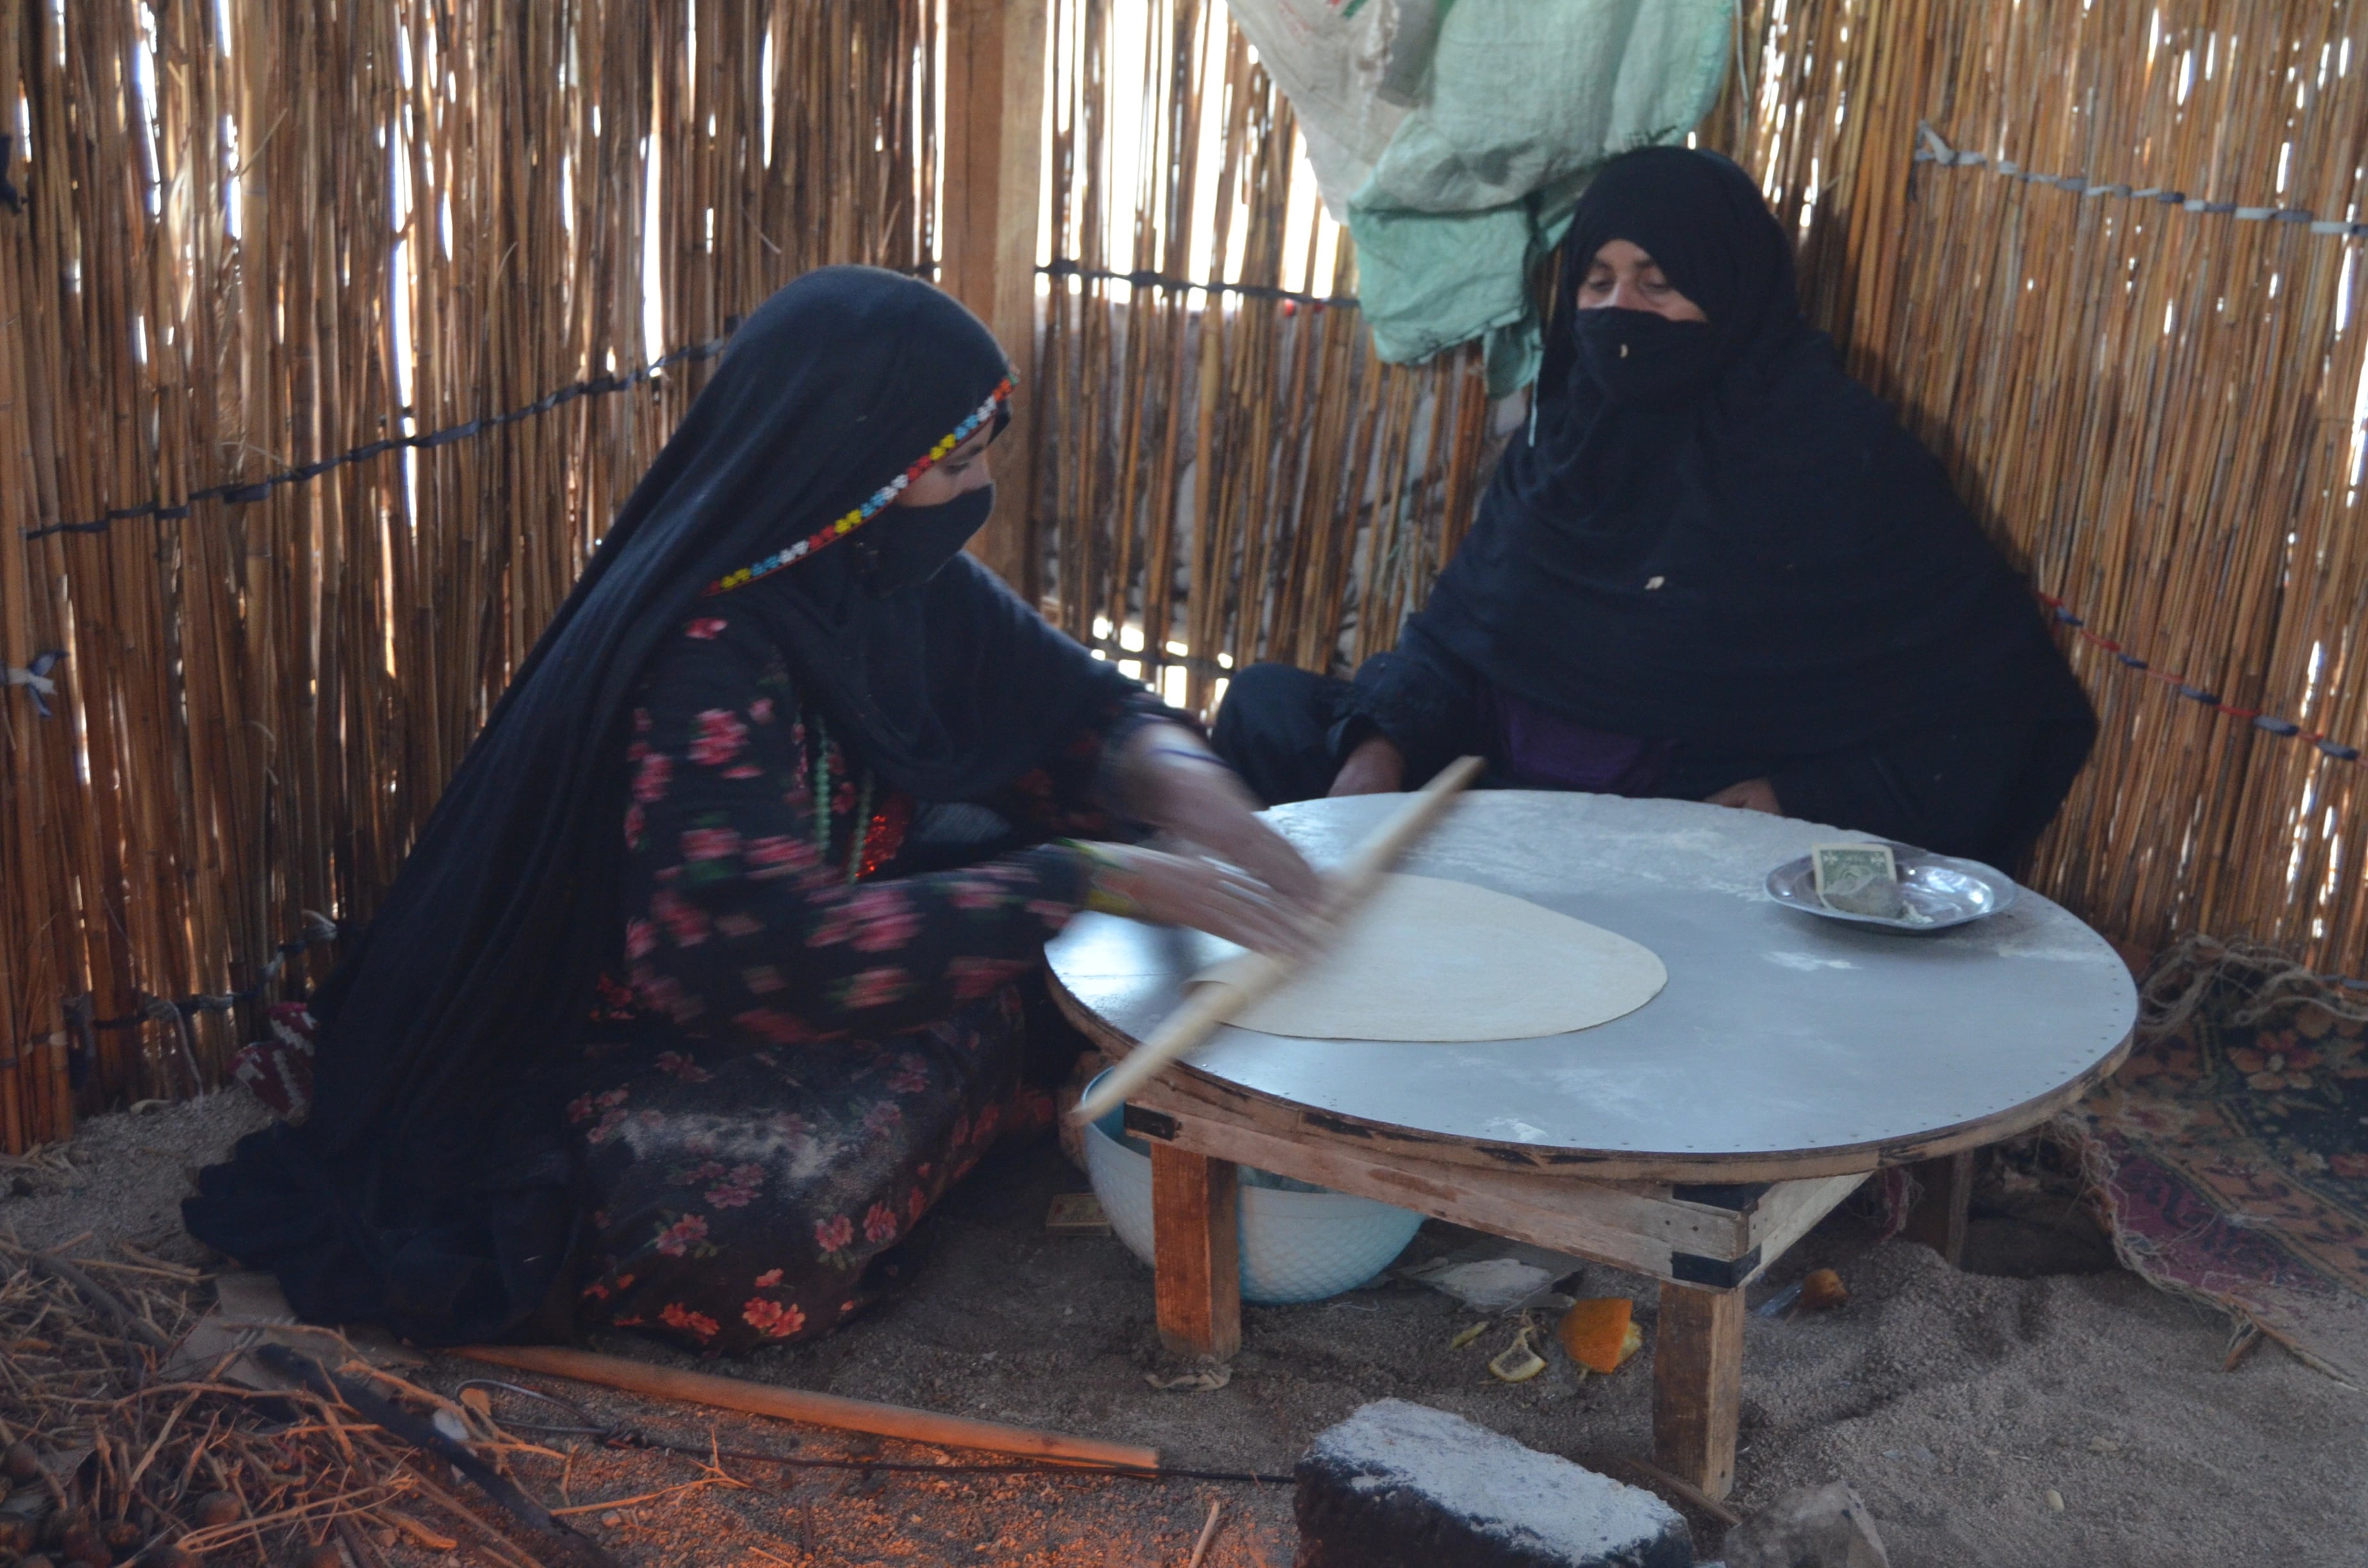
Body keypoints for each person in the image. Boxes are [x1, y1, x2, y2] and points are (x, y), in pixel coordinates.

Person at [185, 268, 1319, 1353]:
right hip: (619, 1035)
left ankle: (1016, 1070)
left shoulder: (875, 574)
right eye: (954, 465)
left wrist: (1197, 790)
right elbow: (747, 959)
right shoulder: (708, 654)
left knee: (1088, 904)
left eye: (979, 459)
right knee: (779, 1224)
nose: (977, 495)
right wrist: (1082, 883)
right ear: (856, 469)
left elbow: (1078, 708)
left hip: (813, 951)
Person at [1213, 147, 2096, 868]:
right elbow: (1461, 645)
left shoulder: (1833, 456)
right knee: (1266, 709)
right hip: (1491, 800)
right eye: (1596, 282)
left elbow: (1992, 709)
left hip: (1679, 834)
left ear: (1732, 289)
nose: (1618, 310)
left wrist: (1793, 800)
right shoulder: (1564, 439)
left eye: (1658, 281)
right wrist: (1382, 750)